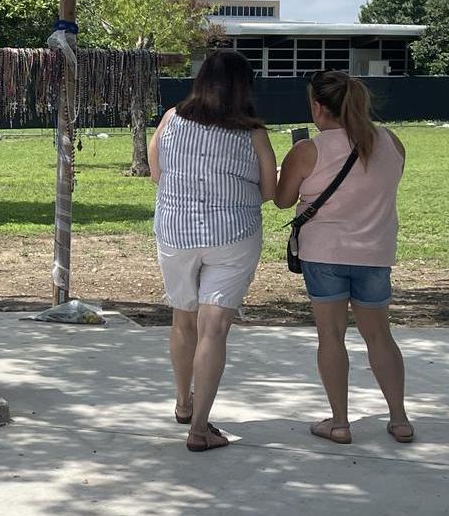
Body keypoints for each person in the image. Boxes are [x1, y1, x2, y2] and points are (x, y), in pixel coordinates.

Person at [148, 50, 277, 452]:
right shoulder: (253, 133)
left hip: (176, 232)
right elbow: (270, 191)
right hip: (233, 235)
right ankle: (200, 427)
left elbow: (156, 171)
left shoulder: (171, 119)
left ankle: (183, 402)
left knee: (183, 321)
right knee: (214, 329)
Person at [275, 70, 413, 445]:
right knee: (380, 336)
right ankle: (399, 418)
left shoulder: (308, 150)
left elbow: (283, 199)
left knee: (331, 337)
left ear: (318, 107)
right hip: (375, 253)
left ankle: (339, 422)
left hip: (325, 255)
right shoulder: (391, 143)